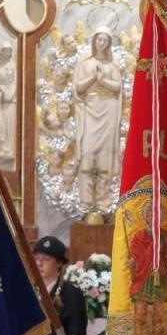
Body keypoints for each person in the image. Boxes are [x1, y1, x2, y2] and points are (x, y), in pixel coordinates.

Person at [71, 29, 123, 215]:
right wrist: (94, 77)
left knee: (105, 155)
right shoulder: (85, 64)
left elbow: (118, 87)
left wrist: (103, 80)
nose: (101, 43)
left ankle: (102, 200)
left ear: (109, 43)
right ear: (94, 41)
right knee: (88, 151)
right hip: (90, 109)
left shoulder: (112, 65)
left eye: (105, 40)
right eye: (99, 39)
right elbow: (78, 87)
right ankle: (85, 200)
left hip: (108, 109)